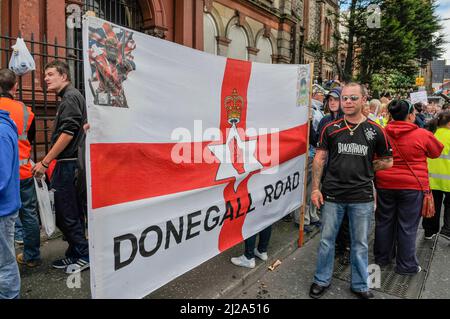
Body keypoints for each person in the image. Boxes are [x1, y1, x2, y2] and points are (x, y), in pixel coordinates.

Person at [309, 82, 393, 299]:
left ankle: (360, 284)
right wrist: (316, 189)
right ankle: (321, 279)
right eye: (345, 98)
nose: (347, 102)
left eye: (353, 98)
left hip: (361, 197)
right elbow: (319, 158)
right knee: (327, 240)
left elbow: (388, 161)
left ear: (364, 100)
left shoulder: (375, 130)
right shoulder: (330, 128)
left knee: (360, 243)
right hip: (333, 195)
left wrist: (367, 168)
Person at [32, 60, 89, 274]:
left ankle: (83, 254)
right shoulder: (69, 97)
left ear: (63, 76)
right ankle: (75, 253)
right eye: (45, 74)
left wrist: (45, 161)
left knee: (67, 213)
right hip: (67, 164)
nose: (45, 78)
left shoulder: (71, 97)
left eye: (50, 74)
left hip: (68, 165)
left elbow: (68, 133)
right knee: (67, 212)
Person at [374, 100, 443, 275]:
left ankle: (382, 258)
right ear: (411, 115)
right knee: (407, 226)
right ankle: (406, 265)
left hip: (384, 183)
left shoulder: (381, 132)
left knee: (384, 221)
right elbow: (436, 152)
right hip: (412, 186)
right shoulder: (422, 134)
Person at [0, 69, 41, 268]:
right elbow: (30, 139)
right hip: (23, 171)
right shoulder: (26, 111)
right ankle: (31, 255)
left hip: (2, 173)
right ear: (15, 87)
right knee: (29, 213)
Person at [0, 108, 21, 299]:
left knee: (4, 264)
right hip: (5, 206)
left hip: (3, 210)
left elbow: (1, 177)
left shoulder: (1, 131)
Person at [423, 111, 450, 240]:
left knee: (432, 206)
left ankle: (429, 231)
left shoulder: (430, 136)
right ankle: (447, 230)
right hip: (448, 179)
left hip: (431, 179)